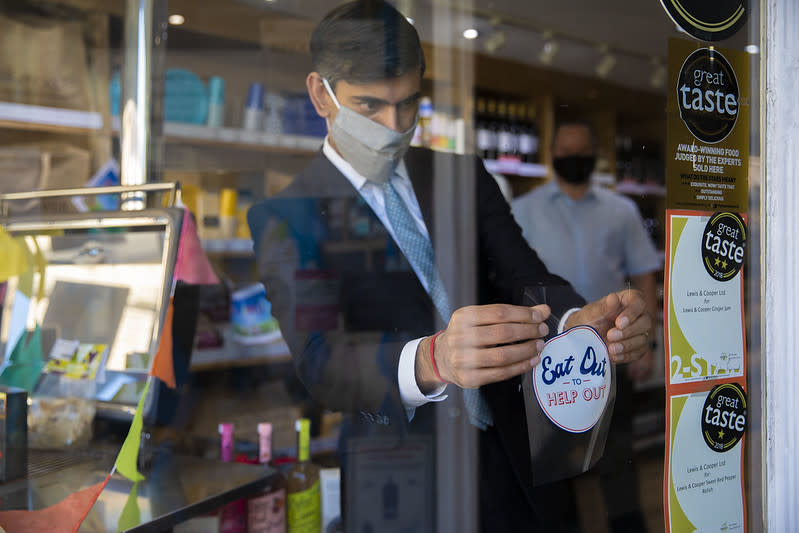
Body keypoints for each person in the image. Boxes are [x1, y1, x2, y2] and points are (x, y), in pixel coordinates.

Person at [247, 2, 652, 531]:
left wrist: (579, 322)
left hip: (515, 453)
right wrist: (431, 358)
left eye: (409, 103)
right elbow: (322, 360)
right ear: (321, 94)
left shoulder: (461, 176)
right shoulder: (287, 215)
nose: (394, 126)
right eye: (369, 106)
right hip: (399, 474)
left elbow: (525, 276)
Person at [511, 120, 662, 532]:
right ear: (552, 155)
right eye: (565, 150)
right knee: (553, 473)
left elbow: (645, 275)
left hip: (610, 358)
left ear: (593, 155)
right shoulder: (522, 212)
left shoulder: (622, 211)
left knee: (619, 464)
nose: (573, 158)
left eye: (582, 150)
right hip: (546, 365)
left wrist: (646, 345)